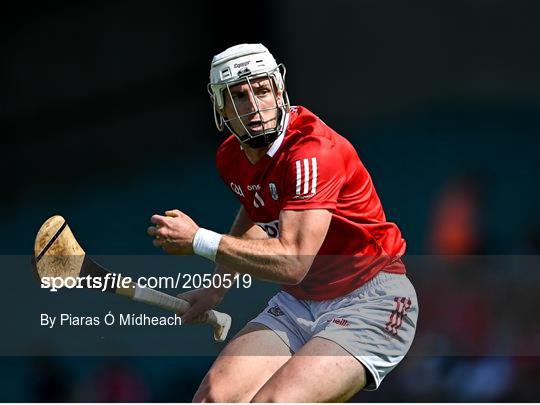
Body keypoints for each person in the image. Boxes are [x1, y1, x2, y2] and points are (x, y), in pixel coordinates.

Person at [147, 43, 418, 403]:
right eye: (239, 97)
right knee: (213, 399)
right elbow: (257, 214)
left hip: (369, 302)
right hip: (298, 304)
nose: (254, 107)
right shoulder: (230, 156)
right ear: (220, 107)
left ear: (278, 91)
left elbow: (293, 262)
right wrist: (215, 289)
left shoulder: (313, 151)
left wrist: (199, 239)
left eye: (261, 91)